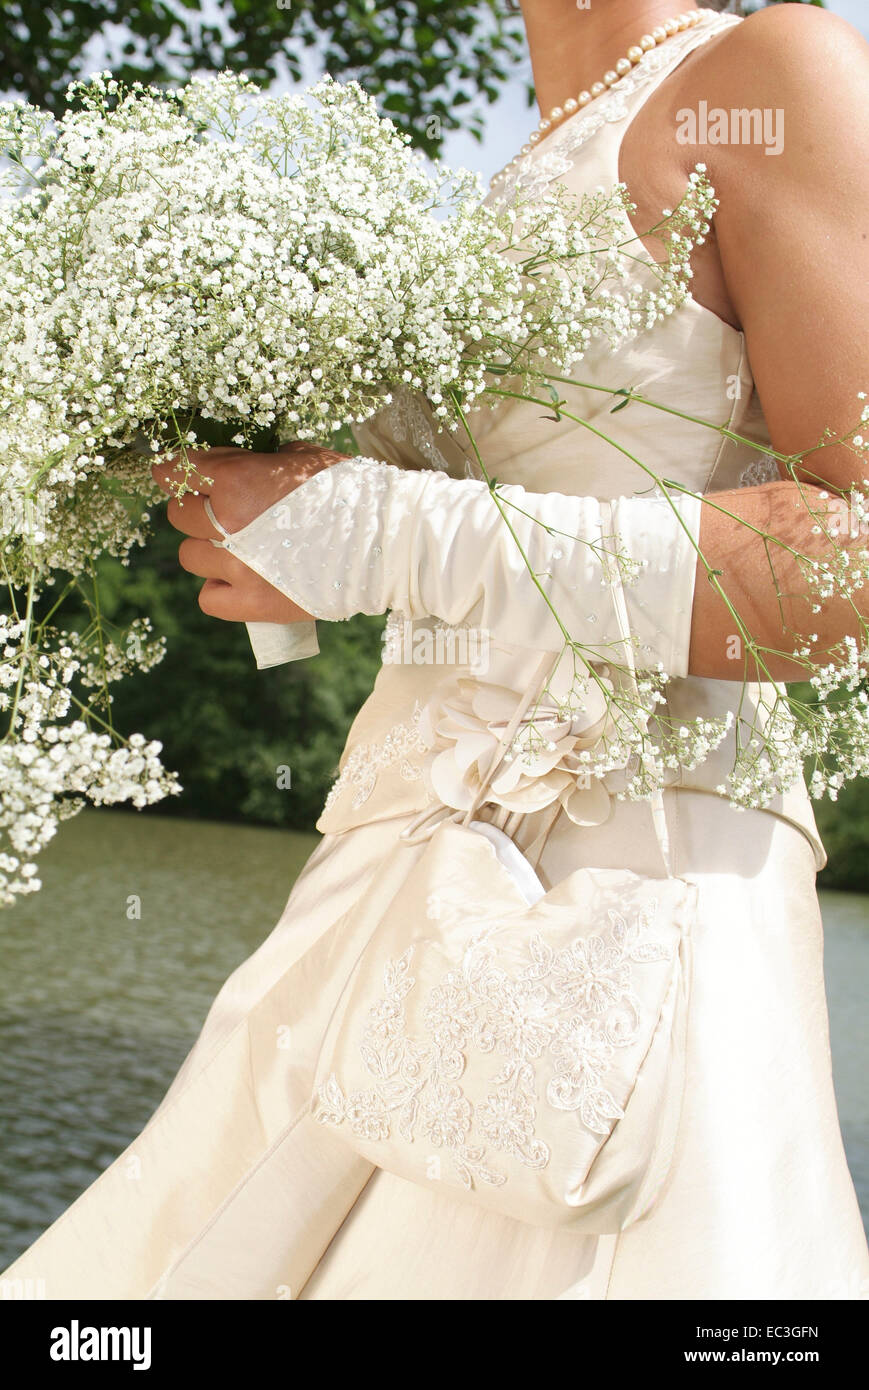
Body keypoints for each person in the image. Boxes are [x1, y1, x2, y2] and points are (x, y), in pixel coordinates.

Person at [4, 0, 868, 1300]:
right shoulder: (502, 179)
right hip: (383, 880)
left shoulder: (770, 68)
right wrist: (275, 514)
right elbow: (427, 552)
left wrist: (381, 532)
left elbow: (847, 558)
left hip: (618, 890)